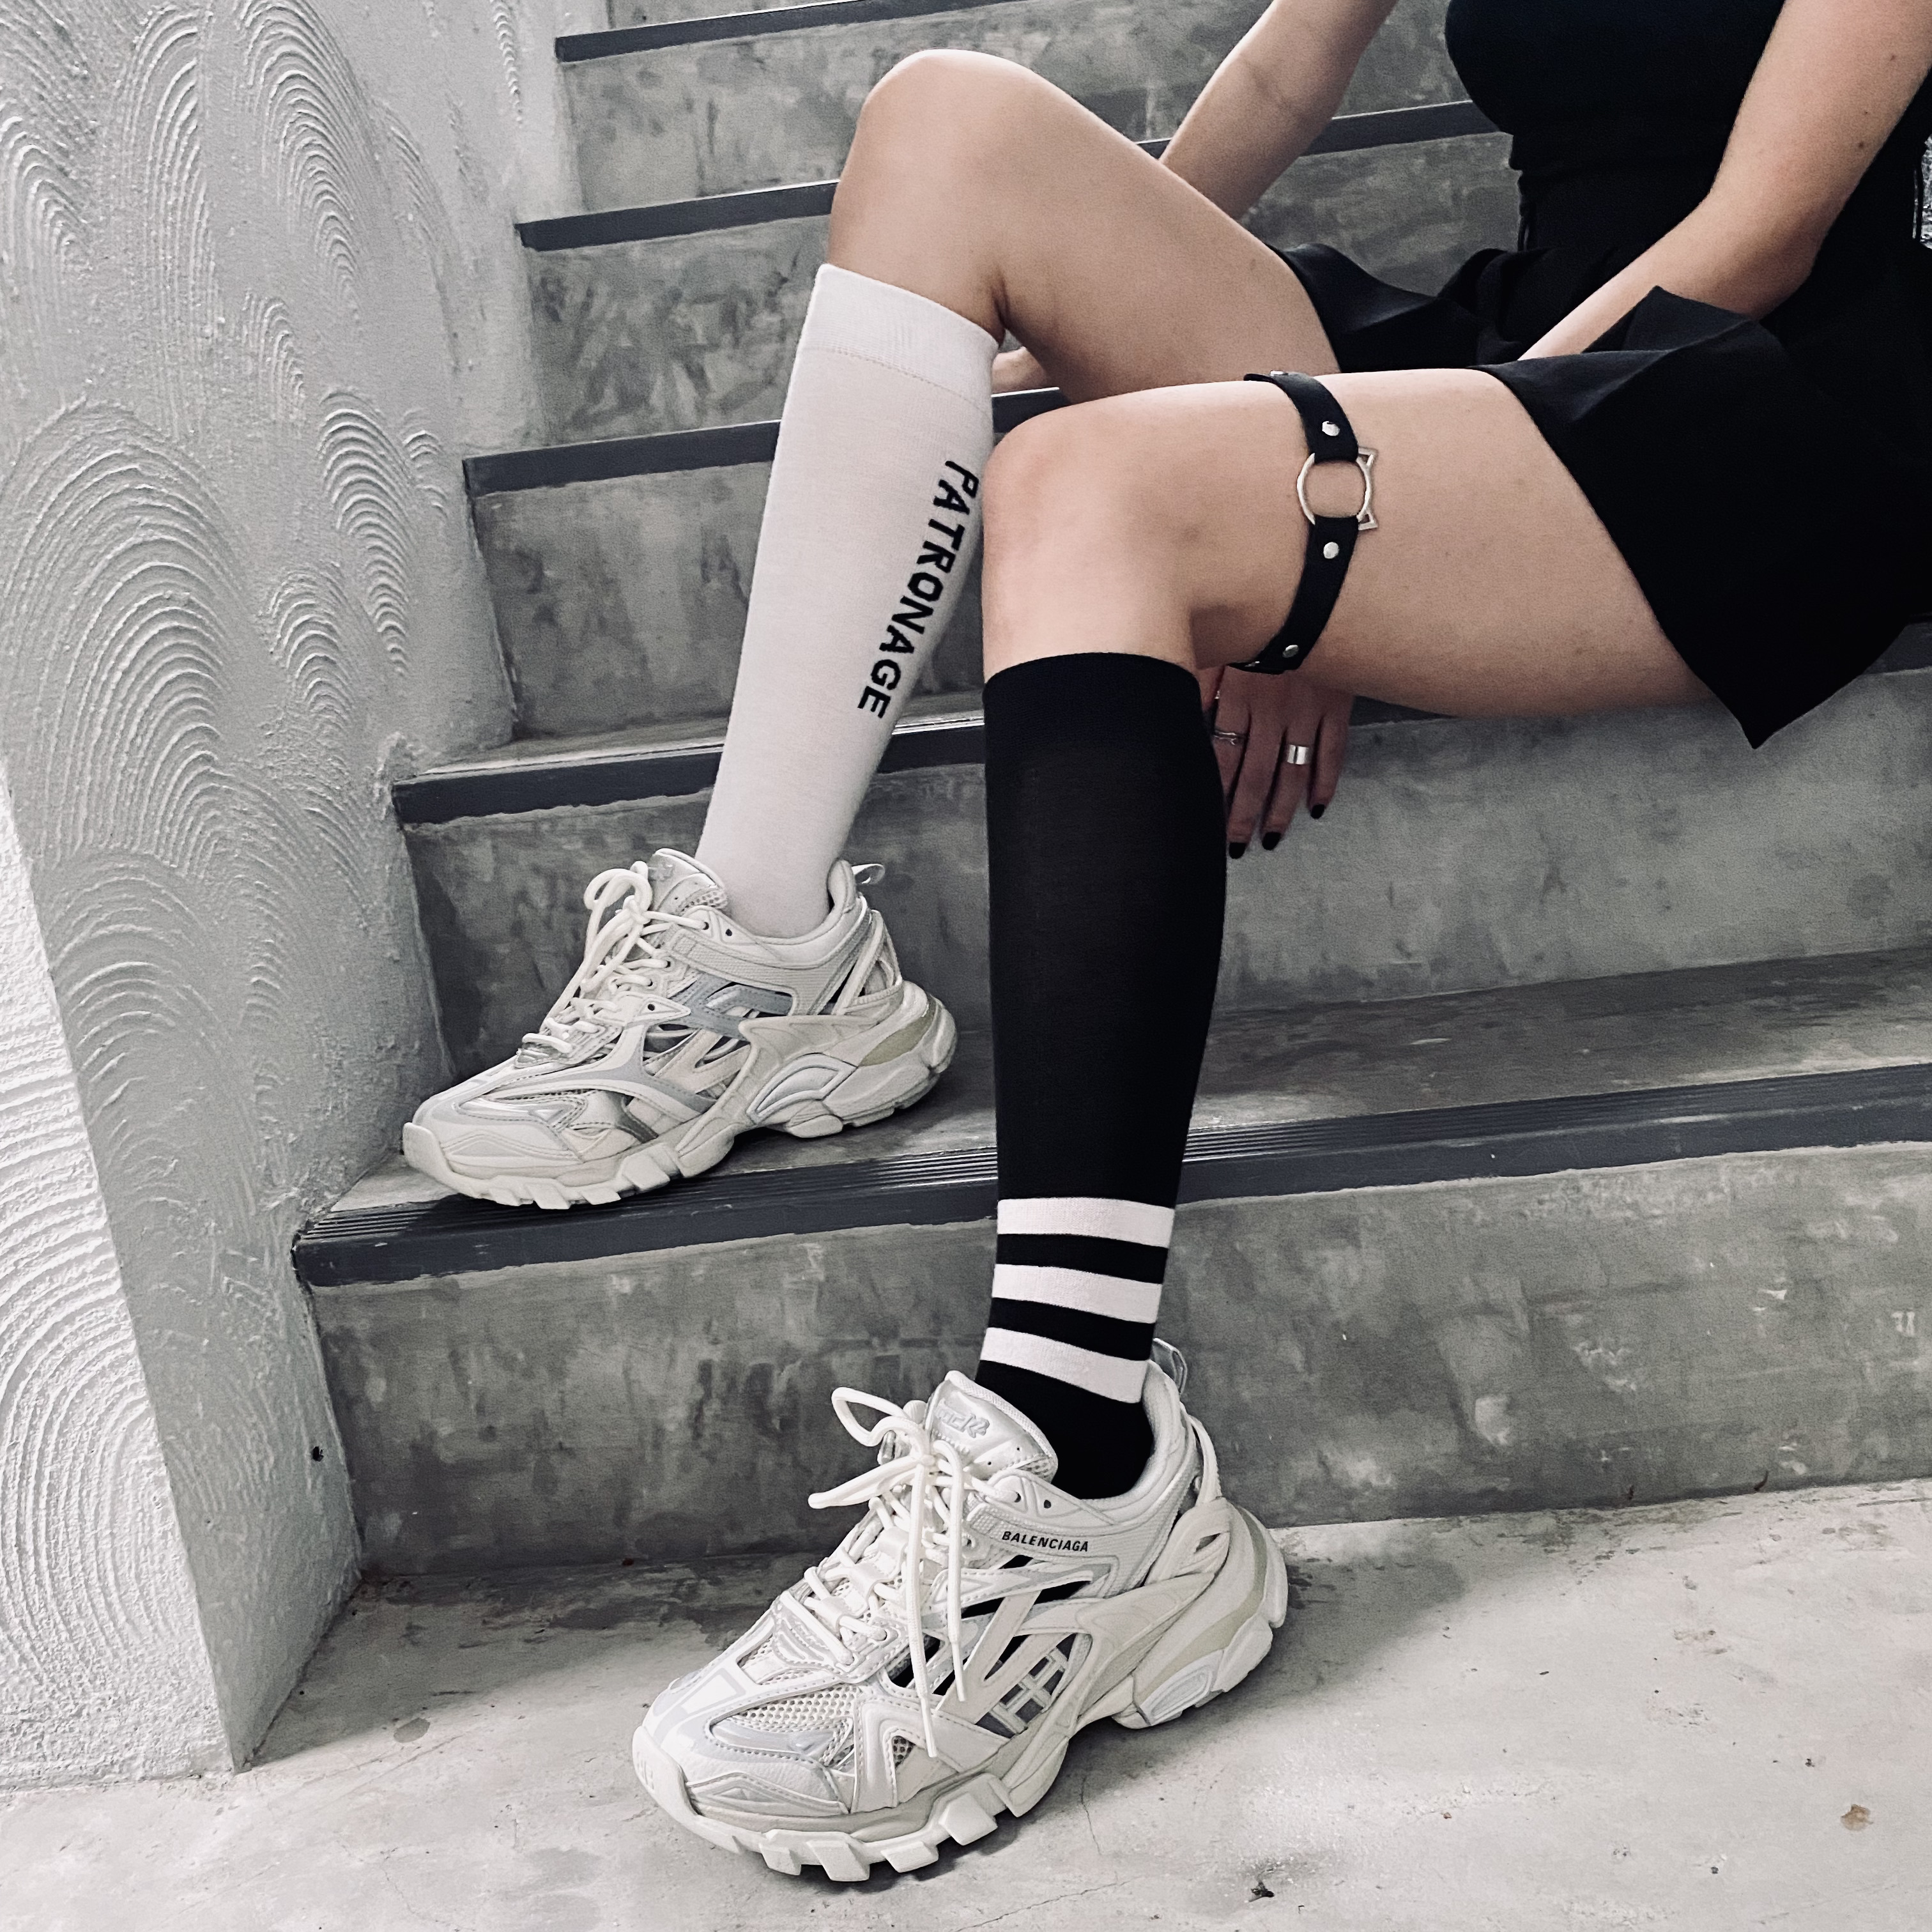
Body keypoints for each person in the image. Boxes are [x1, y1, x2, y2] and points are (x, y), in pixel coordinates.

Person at [413, 0, 1932, 1878]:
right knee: (952, 129)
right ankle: (766, 939)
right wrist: (1118, 344)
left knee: (1090, 479)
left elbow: (1763, 230)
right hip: (1520, 340)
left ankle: (1086, 1458)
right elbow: (1288, 71)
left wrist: (1337, 498)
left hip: (1752, 400)